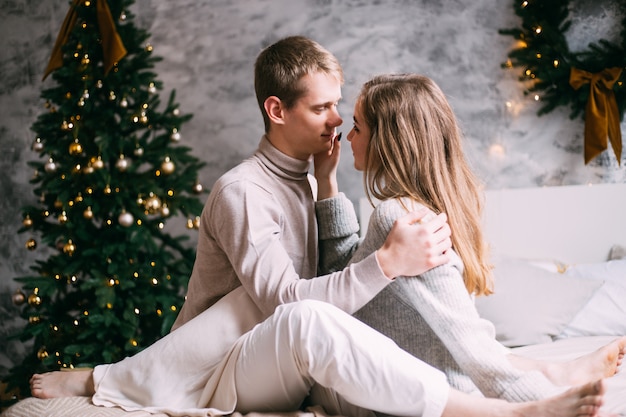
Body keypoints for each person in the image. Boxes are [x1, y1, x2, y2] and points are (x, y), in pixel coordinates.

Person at [29, 37, 607, 417]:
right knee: (285, 308)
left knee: (357, 319)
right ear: (278, 112)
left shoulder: (310, 180)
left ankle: (543, 371)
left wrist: (328, 187)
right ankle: (106, 380)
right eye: (324, 109)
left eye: (342, 110)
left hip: (279, 357)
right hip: (221, 360)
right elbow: (288, 302)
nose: (336, 122)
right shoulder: (243, 191)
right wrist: (385, 263)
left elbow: (357, 298)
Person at [316, 72, 625, 403]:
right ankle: (556, 371)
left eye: (358, 127)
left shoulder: (403, 219)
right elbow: (346, 277)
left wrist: (546, 406)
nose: (347, 137)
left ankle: (555, 376)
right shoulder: (425, 211)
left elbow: (473, 346)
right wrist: (326, 182)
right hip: (412, 382)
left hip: (418, 398)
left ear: (388, 142)